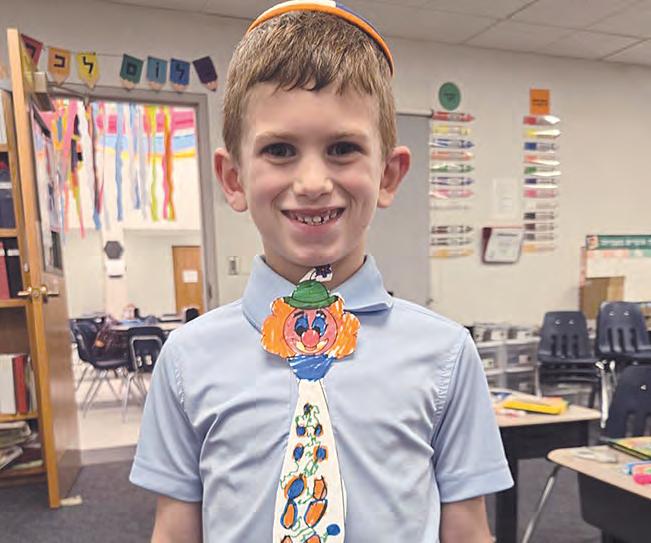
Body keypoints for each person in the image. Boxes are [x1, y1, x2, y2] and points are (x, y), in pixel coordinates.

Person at [129, 2, 513, 541]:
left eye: (342, 149)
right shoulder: (186, 360)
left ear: (389, 175)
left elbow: (468, 530)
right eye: (280, 150)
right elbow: (174, 530)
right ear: (233, 179)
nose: (312, 182)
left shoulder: (447, 356)